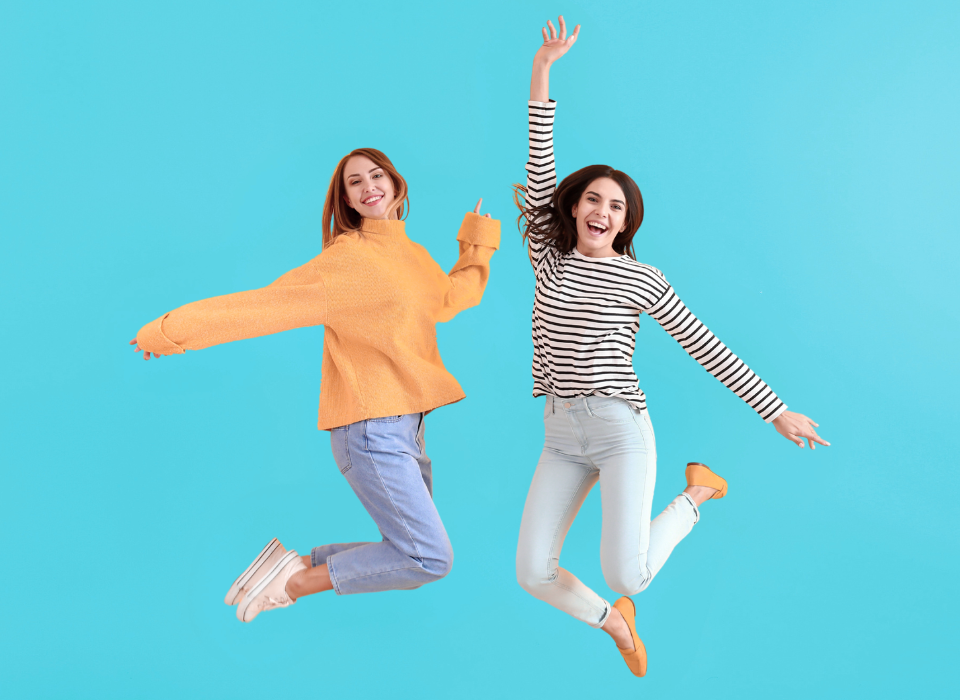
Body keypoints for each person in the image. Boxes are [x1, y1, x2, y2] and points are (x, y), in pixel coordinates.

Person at [512, 17, 828, 677]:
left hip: (620, 427)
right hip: (559, 431)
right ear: (572, 209)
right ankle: (614, 626)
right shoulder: (550, 257)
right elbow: (539, 160)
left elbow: (705, 346)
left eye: (617, 207)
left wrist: (777, 410)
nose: (603, 210)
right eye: (593, 199)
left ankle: (695, 497)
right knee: (531, 573)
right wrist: (544, 69)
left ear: (627, 222)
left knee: (629, 573)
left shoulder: (641, 278)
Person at [131, 148, 500, 622]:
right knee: (428, 556)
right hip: (370, 430)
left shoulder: (411, 255)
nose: (368, 186)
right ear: (344, 200)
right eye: (354, 183)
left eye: (376, 175)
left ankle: (297, 564)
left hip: (407, 428)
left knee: (410, 549)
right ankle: (297, 582)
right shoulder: (343, 263)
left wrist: (477, 241)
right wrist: (168, 332)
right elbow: (261, 307)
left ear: (395, 182)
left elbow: (450, 297)